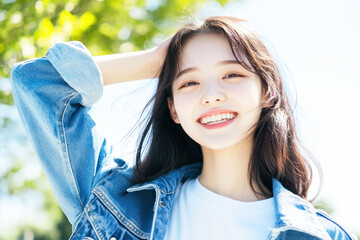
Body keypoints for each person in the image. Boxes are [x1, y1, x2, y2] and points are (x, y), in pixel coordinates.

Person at [11, 16, 356, 240]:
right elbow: (37, 84)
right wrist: (156, 61)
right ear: (173, 109)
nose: (211, 95)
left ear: (267, 92)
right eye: (189, 83)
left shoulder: (322, 235)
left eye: (232, 74)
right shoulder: (117, 202)